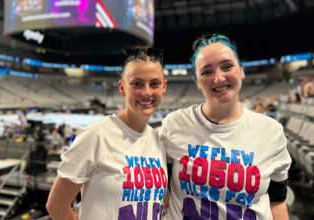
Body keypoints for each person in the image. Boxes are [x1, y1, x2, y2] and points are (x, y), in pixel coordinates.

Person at [161, 34, 291, 220]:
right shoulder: (174, 125)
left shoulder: (271, 132)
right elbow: (161, 193)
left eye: (227, 66)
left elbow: (277, 202)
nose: (219, 78)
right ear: (197, 82)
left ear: (241, 71)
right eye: (206, 72)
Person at [46, 48, 168, 219]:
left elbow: (161, 201)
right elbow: (56, 205)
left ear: (164, 87)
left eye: (154, 83)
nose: (147, 92)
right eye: (137, 84)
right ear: (122, 88)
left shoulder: (158, 140)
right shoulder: (96, 136)